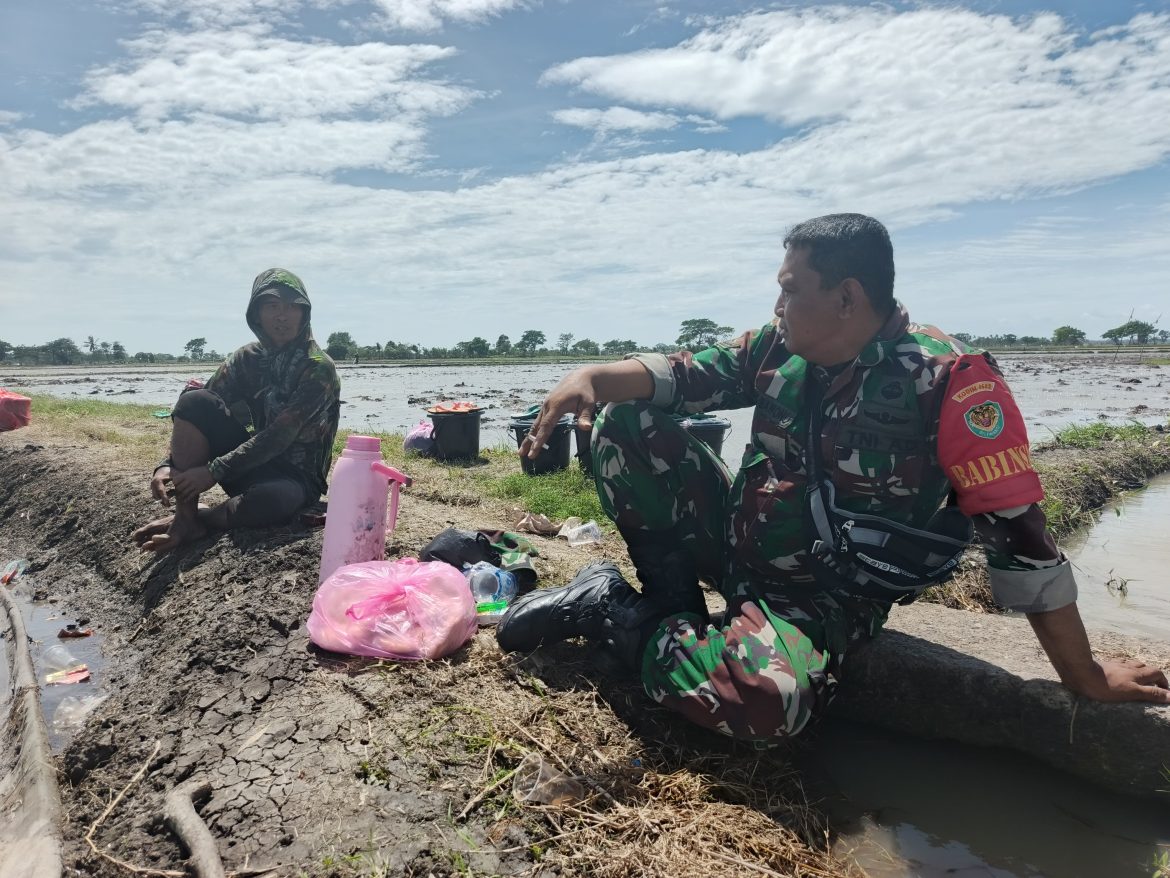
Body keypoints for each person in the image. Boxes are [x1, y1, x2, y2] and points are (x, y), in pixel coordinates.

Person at [496, 213, 1169, 744]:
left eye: (791, 288)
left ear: (846, 297)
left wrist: (1084, 676)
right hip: (738, 553)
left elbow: (1020, 538)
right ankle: (673, 608)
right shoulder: (777, 347)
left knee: (768, 709)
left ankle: (612, 608)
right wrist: (589, 378)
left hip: (821, 599)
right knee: (626, 420)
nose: (778, 303)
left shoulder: (949, 384)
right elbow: (680, 373)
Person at [132, 269, 341, 553]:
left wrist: (213, 471)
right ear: (256, 315)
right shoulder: (245, 359)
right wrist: (166, 464)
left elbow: (279, 436)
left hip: (295, 478)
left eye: (293, 306)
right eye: (273, 306)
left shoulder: (317, 367)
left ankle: (202, 517)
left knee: (273, 500)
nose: (283, 315)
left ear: (305, 313)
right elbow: (201, 409)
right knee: (194, 400)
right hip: (250, 463)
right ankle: (185, 520)